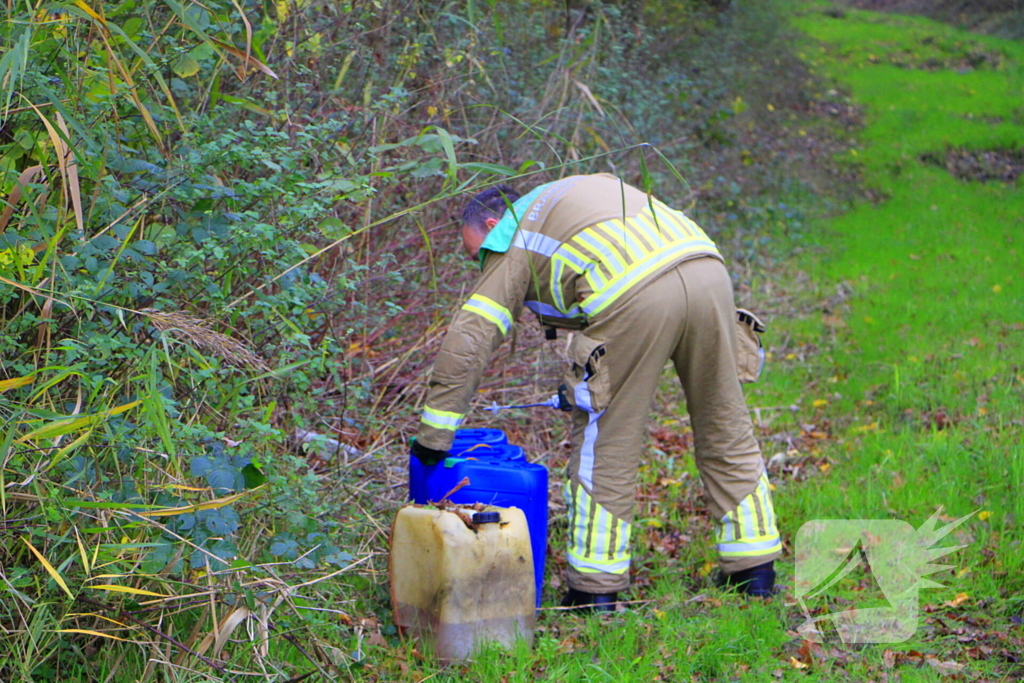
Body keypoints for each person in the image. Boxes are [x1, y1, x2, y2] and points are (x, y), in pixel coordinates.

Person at [411, 174, 780, 611]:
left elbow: (472, 336)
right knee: (725, 422)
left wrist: (434, 436)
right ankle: (754, 570)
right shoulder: (567, 199)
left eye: (478, 254)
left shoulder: (515, 234)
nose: (482, 265)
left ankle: (594, 589)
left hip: (633, 291)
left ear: (493, 224)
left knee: (605, 443)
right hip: (706, 269)